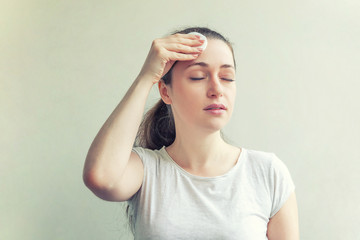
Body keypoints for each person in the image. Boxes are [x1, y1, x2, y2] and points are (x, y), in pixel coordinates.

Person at [83, 27, 299, 239]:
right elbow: (101, 178)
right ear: (166, 92)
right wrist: (145, 78)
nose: (217, 89)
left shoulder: (268, 173)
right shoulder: (147, 170)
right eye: (197, 77)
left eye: (227, 77)